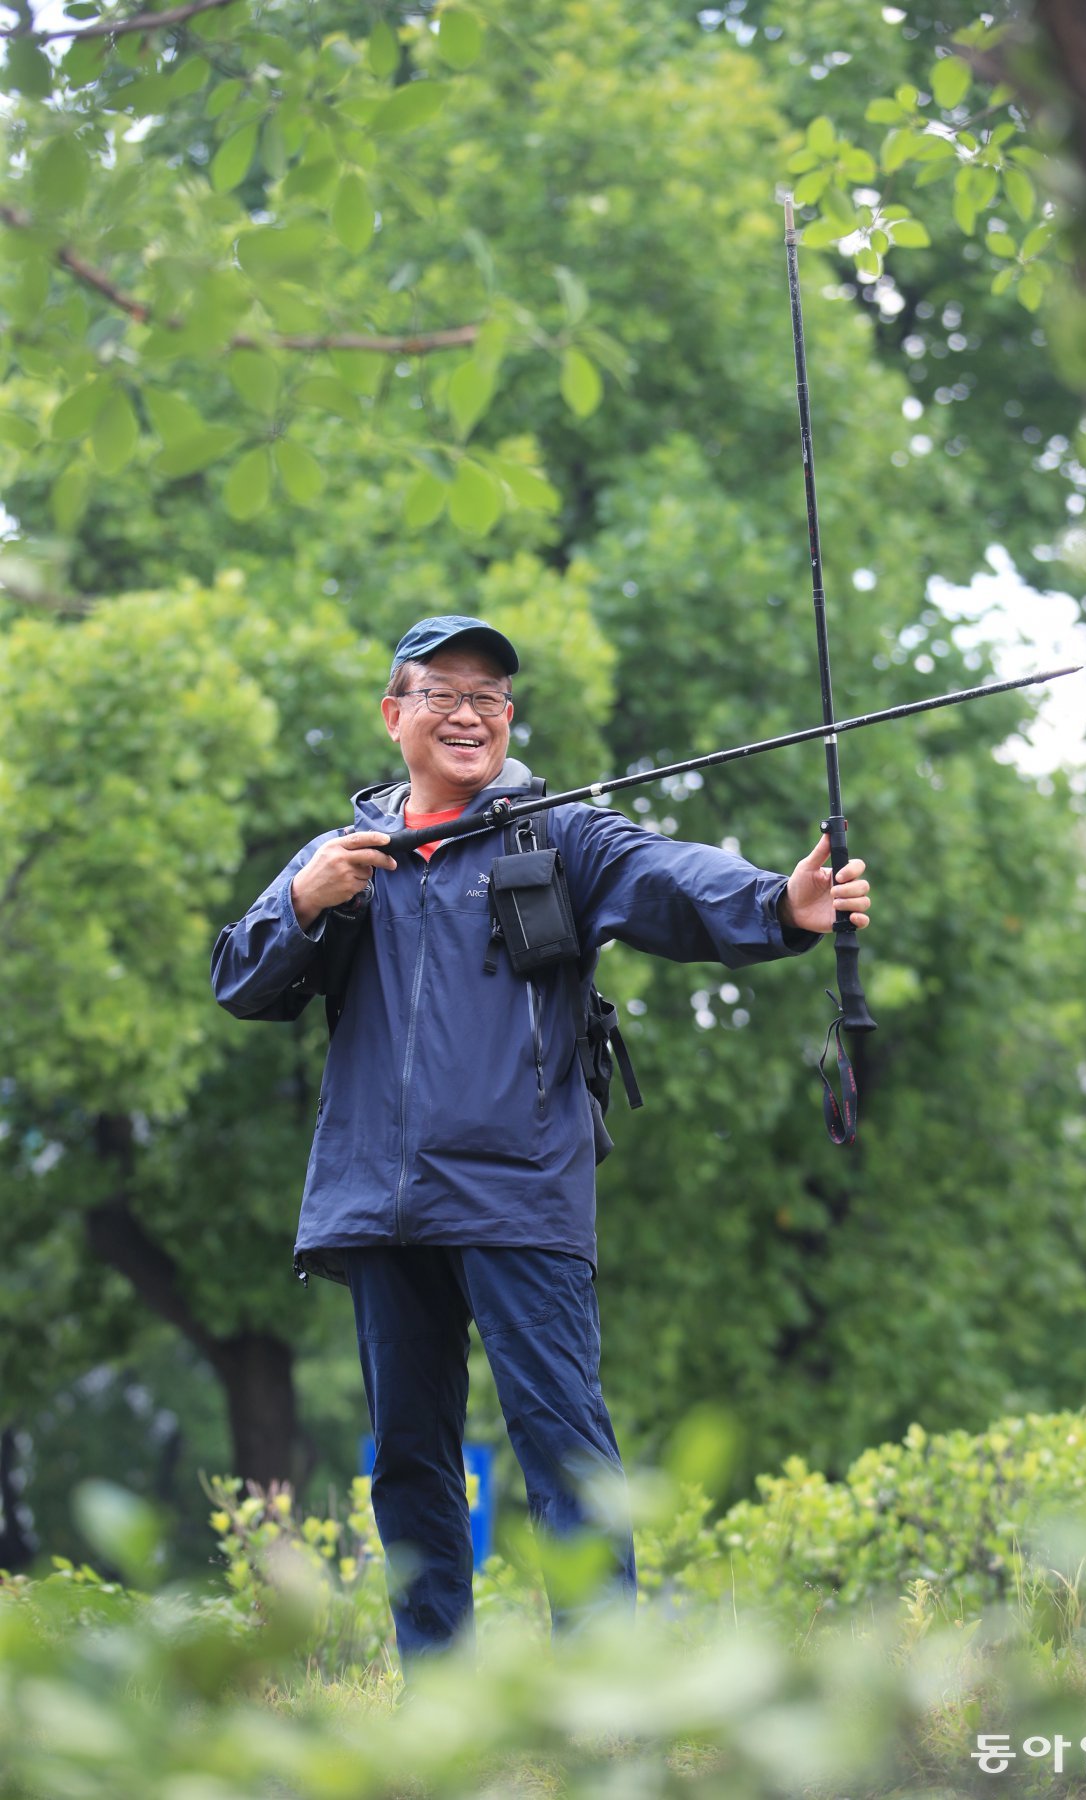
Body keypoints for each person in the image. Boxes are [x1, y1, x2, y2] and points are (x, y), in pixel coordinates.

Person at [211, 613, 871, 1667]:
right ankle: (440, 1697)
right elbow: (238, 979)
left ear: (510, 721)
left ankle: (601, 1697)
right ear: (395, 716)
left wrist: (780, 905)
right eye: (444, 694)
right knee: (409, 1466)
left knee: (565, 1449)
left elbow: (667, 879)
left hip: (520, 1193)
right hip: (376, 1204)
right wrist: (303, 900)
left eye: (491, 699)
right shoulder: (344, 855)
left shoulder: (556, 832)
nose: (470, 715)